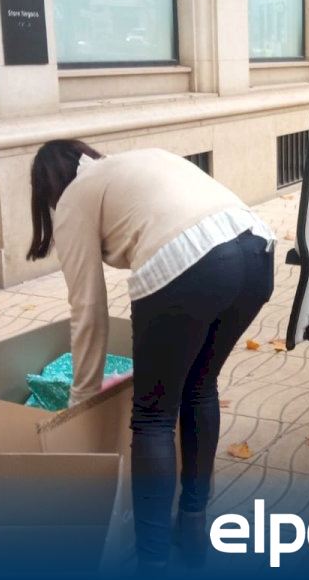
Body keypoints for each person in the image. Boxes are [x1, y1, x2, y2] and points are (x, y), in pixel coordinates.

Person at [26, 140, 275, 570]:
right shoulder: (136, 162)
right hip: (256, 250)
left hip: (190, 262)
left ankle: (153, 562)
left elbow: (88, 310)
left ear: (48, 189)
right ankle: (193, 528)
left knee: (154, 417)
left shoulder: (73, 197)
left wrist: (80, 403)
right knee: (200, 386)